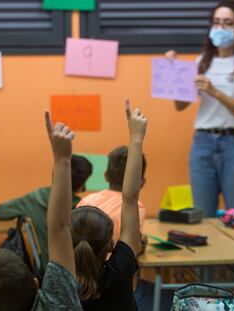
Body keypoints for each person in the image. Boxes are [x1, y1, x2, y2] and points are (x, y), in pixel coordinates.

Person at [0, 112, 82, 311]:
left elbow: (1, 212)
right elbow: (60, 228)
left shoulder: (31, 198)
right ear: (36, 283)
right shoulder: (59, 303)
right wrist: (62, 159)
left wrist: (61, 161)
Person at [166, 0, 234, 216]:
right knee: (203, 216)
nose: (220, 28)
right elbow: (180, 105)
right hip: (203, 143)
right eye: (216, 22)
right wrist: (175, 72)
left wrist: (214, 91)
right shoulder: (203, 61)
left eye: (227, 23)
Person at [72, 100, 147, 311]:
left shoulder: (60, 281)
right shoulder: (121, 270)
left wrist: (61, 159)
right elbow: (130, 198)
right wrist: (136, 137)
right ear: (112, 245)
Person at [0, 154, 93, 270]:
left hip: (42, 268)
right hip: (72, 268)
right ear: (81, 184)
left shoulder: (34, 198)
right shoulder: (82, 206)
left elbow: (0, 212)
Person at [77, 146, 146, 244]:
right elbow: (132, 246)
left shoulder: (86, 200)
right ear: (142, 182)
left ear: (106, 176)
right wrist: (143, 242)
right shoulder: (137, 208)